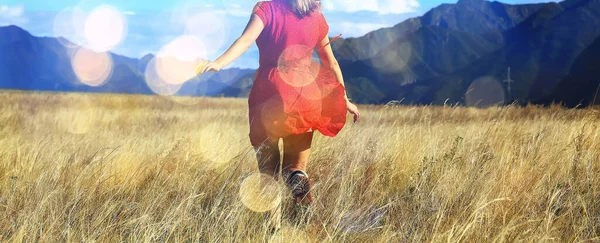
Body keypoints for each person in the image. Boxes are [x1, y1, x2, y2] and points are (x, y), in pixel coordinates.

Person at [196, 0, 360, 226]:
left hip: (270, 93)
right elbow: (331, 62)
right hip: (305, 95)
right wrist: (344, 99)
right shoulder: (316, 17)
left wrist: (218, 63)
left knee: (267, 173)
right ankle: (299, 192)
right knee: (296, 169)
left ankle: (273, 230)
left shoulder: (267, 8)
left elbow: (246, 39)